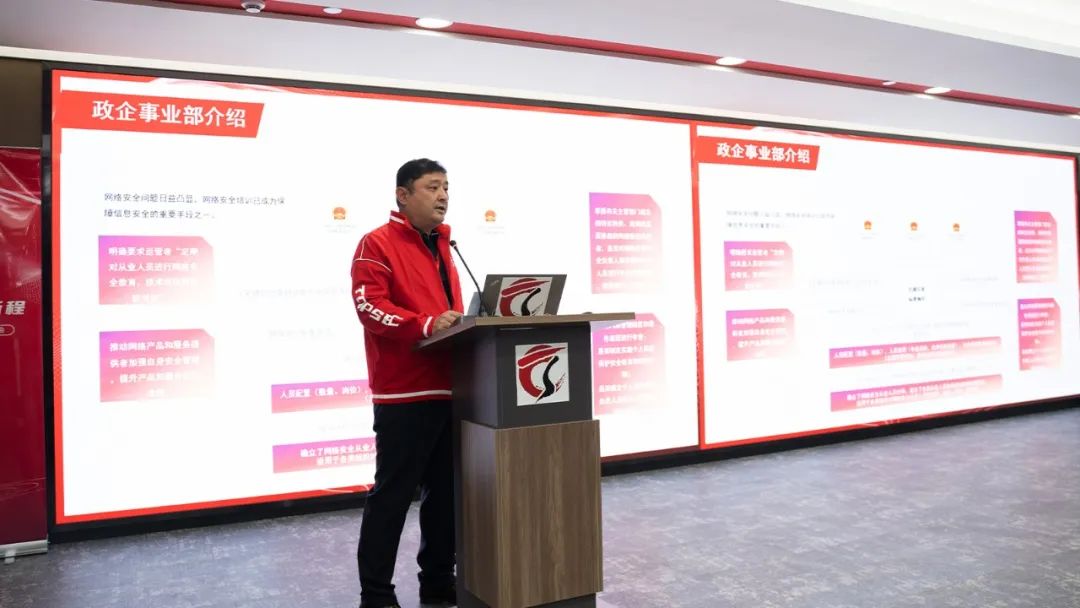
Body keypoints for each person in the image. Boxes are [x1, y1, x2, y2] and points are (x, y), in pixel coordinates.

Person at [350, 158, 464, 608]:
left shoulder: (445, 245)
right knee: (393, 497)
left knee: (445, 496)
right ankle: (376, 594)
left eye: (446, 187)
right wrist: (425, 324)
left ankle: (437, 581)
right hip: (404, 392)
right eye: (432, 187)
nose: (443, 196)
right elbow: (370, 308)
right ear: (403, 194)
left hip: (451, 389)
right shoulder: (376, 243)